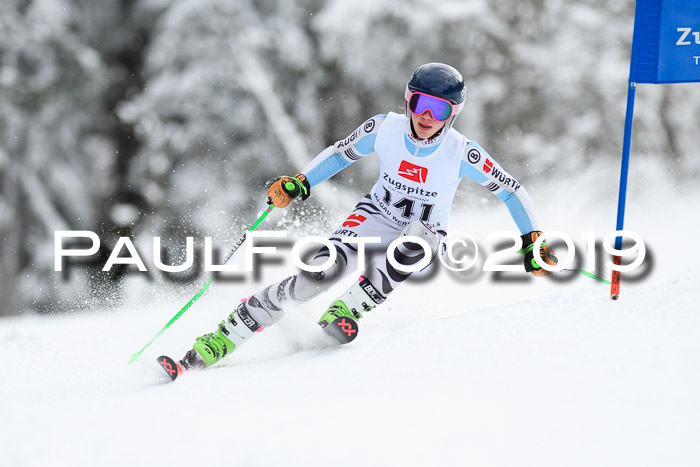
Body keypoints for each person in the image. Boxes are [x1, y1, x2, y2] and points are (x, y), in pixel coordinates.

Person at [176, 62, 557, 370]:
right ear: (408, 101)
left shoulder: (462, 152)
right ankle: (221, 338)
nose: (425, 116)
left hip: (424, 231)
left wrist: (531, 241)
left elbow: (511, 189)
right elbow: (341, 153)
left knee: (413, 247)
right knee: (317, 275)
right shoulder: (384, 128)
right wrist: (300, 183)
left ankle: (346, 309)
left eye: (438, 109)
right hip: (374, 215)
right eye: (419, 104)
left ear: (452, 113)